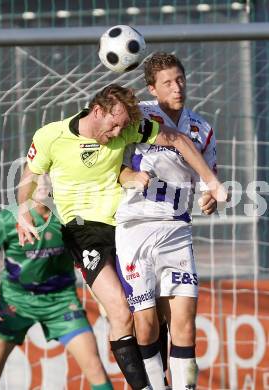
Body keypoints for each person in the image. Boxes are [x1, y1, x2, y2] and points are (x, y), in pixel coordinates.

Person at [16, 84, 227, 390]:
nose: (117, 133)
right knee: (120, 311)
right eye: (113, 125)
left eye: (122, 127)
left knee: (154, 314)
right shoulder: (51, 135)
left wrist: (210, 181)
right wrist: (23, 210)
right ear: (97, 110)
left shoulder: (127, 128)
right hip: (83, 231)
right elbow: (30, 176)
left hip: (127, 228)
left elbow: (177, 138)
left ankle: (161, 380)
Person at [115, 53, 220, 389]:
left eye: (180, 80)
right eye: (167, 83)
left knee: (185, 323)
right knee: (146, 324)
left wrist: (209, 197)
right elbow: (106, 163)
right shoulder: (138, 116)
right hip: (135, 228)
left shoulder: (202, 129)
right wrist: (127, 174)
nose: (177, 88)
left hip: (176, 229)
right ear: (152, 88)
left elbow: (209, 179)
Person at [0, 175, 112, 390]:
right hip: (15, 304)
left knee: (95, 367)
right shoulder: (8, 220)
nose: (43, 184)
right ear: (26, 185)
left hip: (61, 303)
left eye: (48, 178)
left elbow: (89, 259)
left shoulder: (69, 218)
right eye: (37, 179)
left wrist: (103, 296)